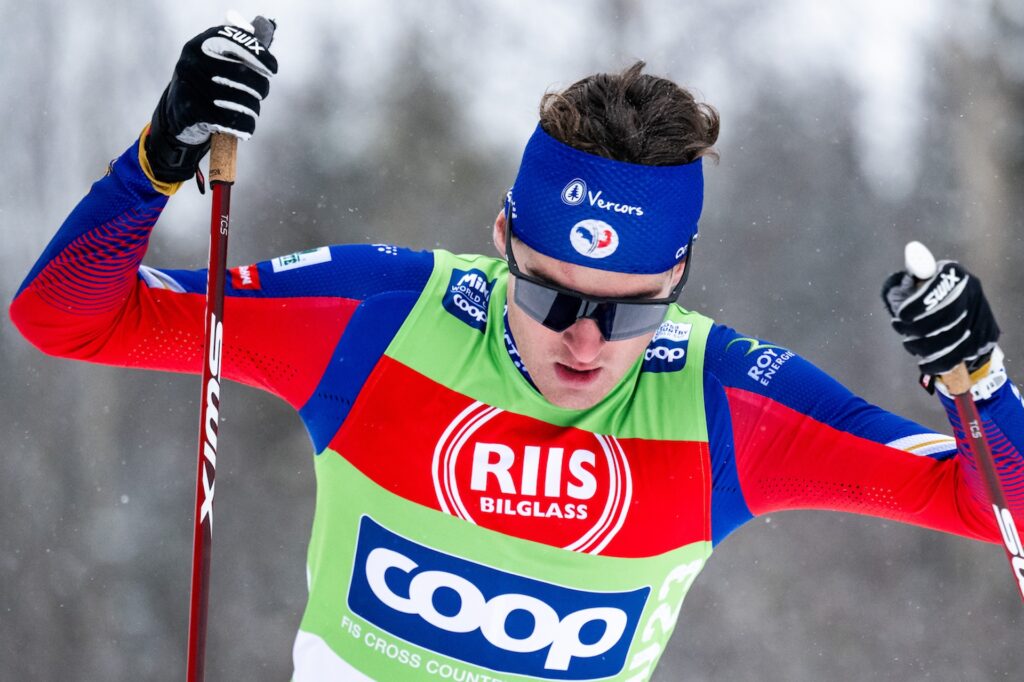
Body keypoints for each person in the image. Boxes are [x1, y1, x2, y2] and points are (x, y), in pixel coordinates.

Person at [10, 21, 1024, 682]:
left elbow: (996, 506)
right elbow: (66, 315)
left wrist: (977, 383)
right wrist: (160, 154)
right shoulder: (379, 318)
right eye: (549, 294)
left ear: (678, 275)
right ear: (501, 238)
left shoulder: (727, 405)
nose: (584, 338)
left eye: (631, 312)